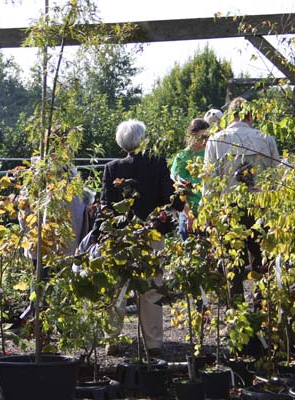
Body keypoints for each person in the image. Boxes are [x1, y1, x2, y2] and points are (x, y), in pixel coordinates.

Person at [100, 119, 184, 356]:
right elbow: (171, 199)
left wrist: (101, 233)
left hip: (120, 234)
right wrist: (182, 194)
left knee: (116, 285)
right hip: (151, 230)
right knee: (151, 287)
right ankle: (154, 342)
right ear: (143, 139)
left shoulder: (112, 168)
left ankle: (111, 338)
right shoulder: (156, 162)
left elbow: (105, 204)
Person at [203, 97, 280, 304]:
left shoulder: (216, 140)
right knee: (262, 260)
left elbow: (209, 181)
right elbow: (276, 178)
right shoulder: (266, 139)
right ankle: (262, 307)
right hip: (261, 206)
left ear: (231, 115)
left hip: (229, 209)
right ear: (250, 115)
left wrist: (208, 212)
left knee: (232, 262)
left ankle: (236, 313)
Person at [171, 118, 210, 240]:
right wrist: (190, 216)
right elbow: (180, 190)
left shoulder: (211, 154)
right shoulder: (183, 157)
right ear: (192, 135)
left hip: (209, 213)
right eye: (201, 137)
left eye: (206, 137)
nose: (204, 141)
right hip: (189, 212)